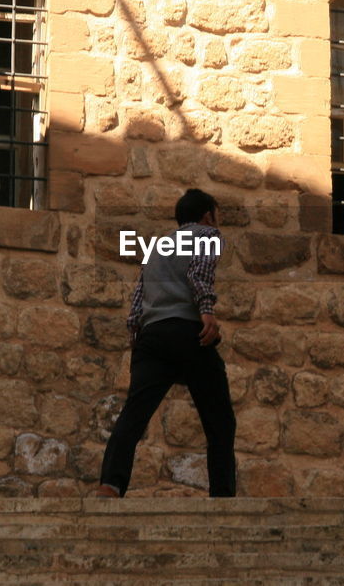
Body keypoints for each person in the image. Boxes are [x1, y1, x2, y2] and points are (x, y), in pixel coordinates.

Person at [95, 189, 236, 498]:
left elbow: (136, 303)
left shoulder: (156, 248)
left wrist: (139, 344)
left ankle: (111, 483)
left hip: (151, 337)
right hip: (189, 332)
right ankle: (223, 495)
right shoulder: (208, 234)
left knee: (134, 414)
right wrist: (207, 311)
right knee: (219, 419)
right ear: (207, 216)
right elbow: (200, 274)